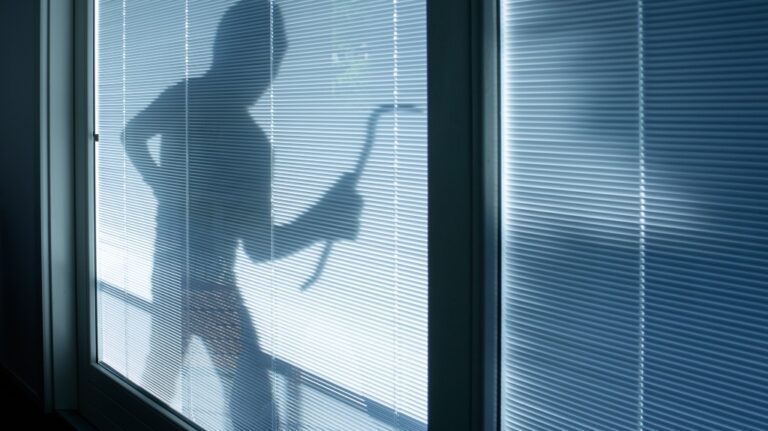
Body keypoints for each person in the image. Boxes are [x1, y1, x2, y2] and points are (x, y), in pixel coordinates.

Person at [121, 1, 362, 429]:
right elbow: (263, 249)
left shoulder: (206, 108)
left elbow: (133, 134)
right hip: (208, 287)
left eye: (274, 61)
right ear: (231, 50)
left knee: (160, 385)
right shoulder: (241, 137)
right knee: (250, 409)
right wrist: (324, 219)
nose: (268, 74)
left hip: (181, 277)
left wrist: (324, 217)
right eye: (266, 59)